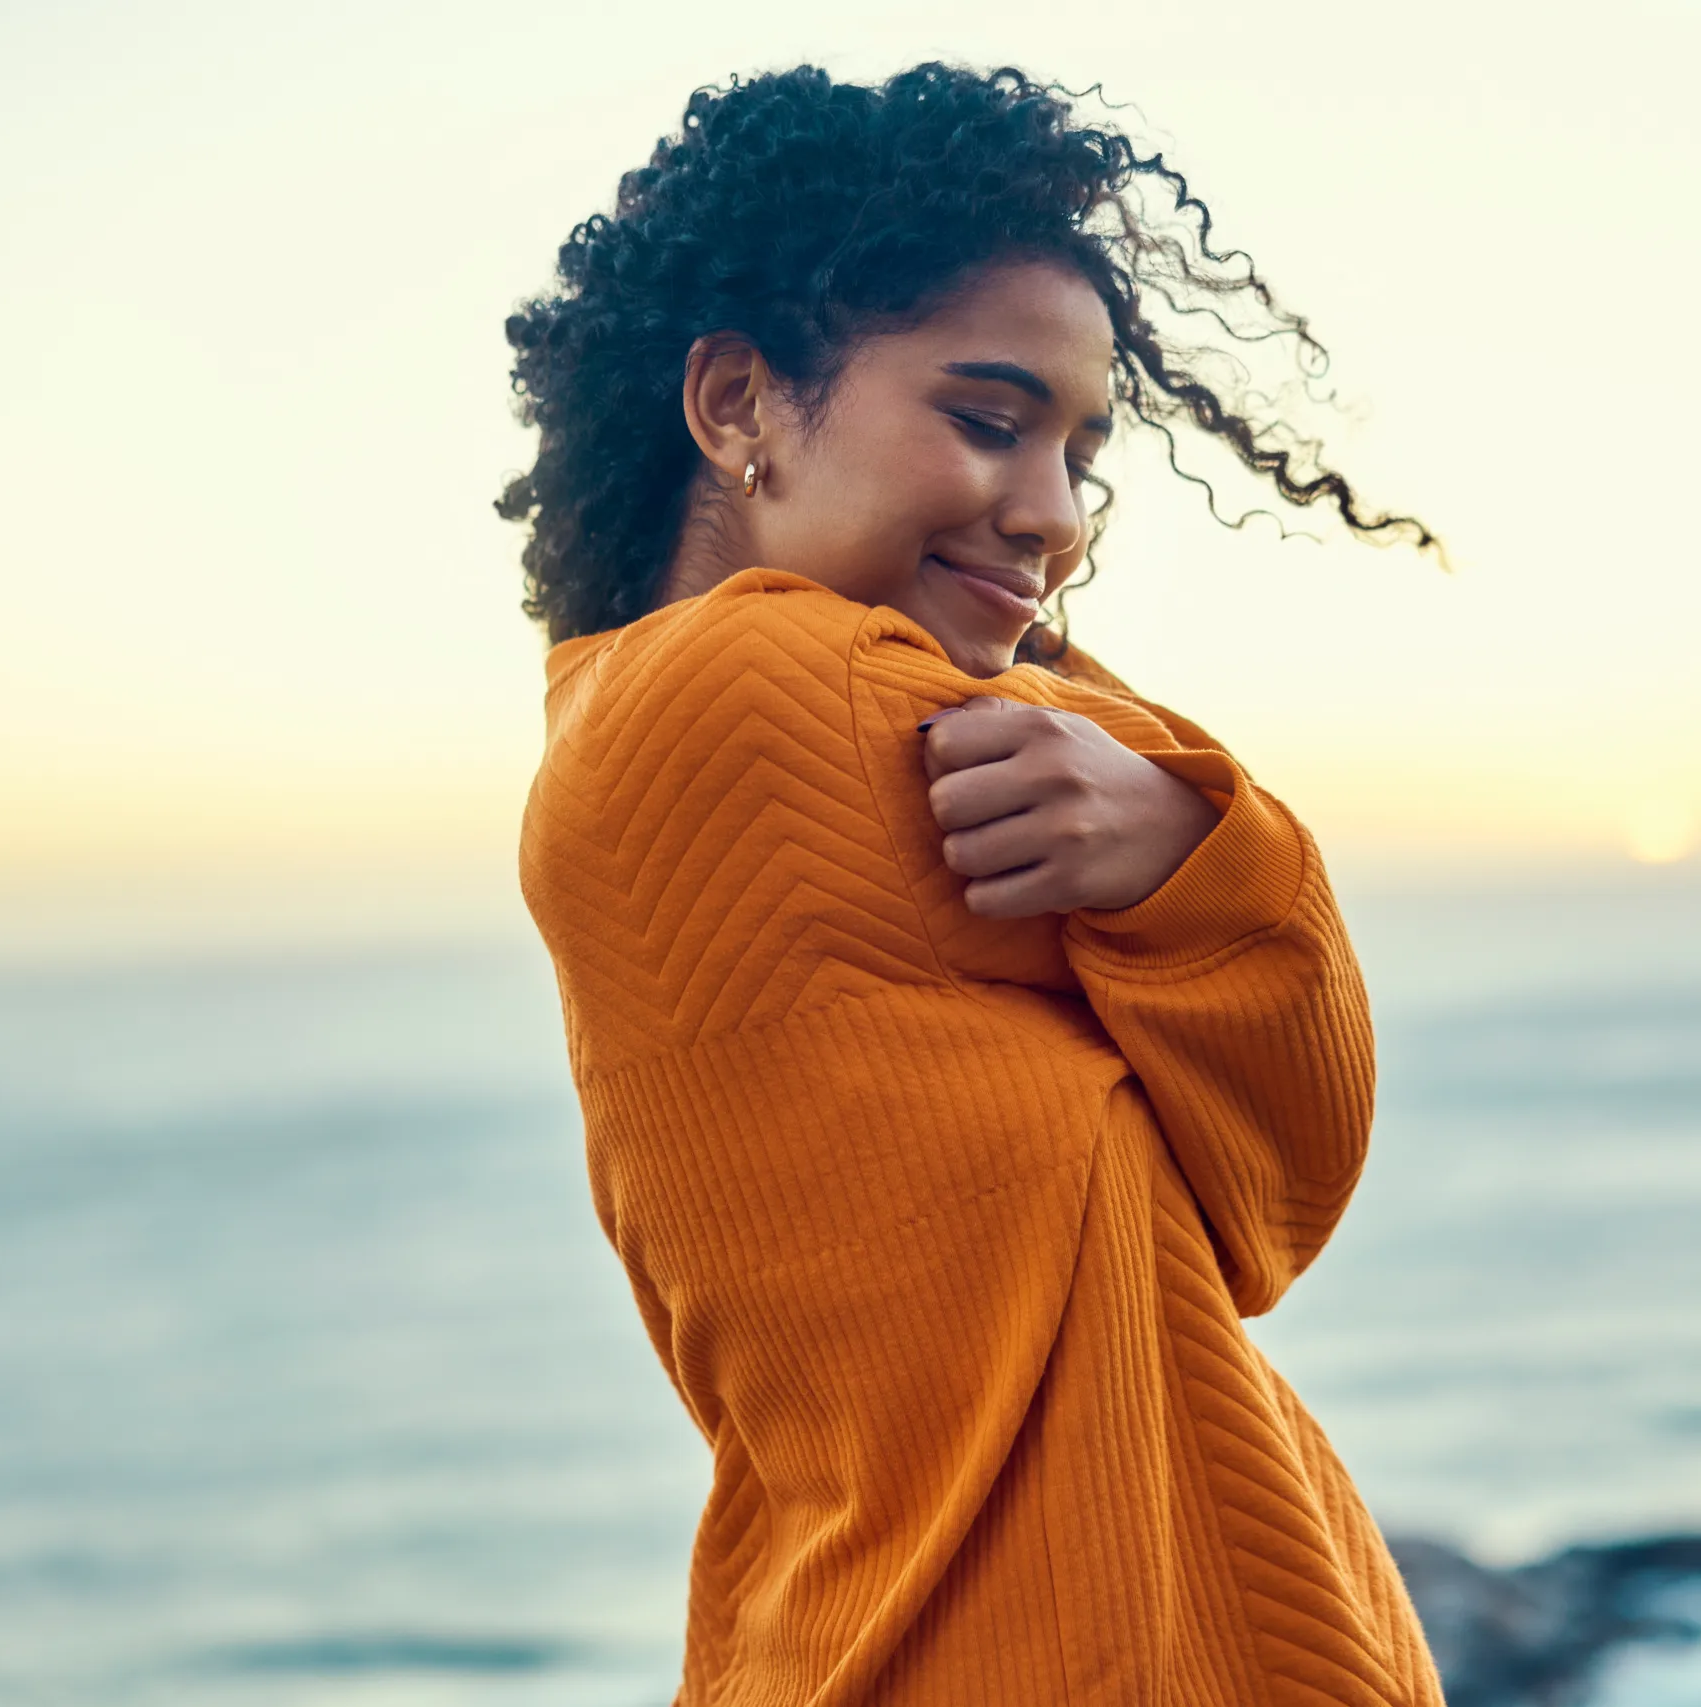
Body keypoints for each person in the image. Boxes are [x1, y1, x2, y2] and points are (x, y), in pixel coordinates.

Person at [503, 62, 1446, 1706]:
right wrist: (1216, 852)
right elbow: (1300, 1122)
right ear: (735, 404)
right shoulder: (728, 697)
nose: (1057, 515)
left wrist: (1189, 843)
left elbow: (1271, 1194)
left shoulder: (891, 714)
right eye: (989, 420)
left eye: (1082, 451)